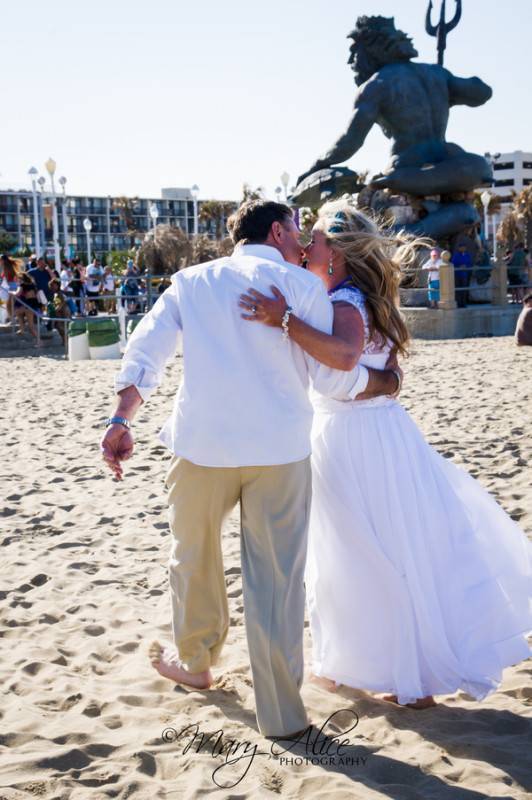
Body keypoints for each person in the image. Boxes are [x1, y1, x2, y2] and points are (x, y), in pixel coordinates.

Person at [100, 200, 400, 740]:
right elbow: (331, 377)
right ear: (278, 230)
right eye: (298, 232)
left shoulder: (191, 281)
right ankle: (282, 714)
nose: (304, 243)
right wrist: (378, 386)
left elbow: (148, 350)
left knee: (191, 556)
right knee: (277, 580)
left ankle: (195, 661)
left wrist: (122, 419)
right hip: (280, 450)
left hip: (202, 448)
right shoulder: (305, 287)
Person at [240, 199, 532, 710]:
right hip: (367, 433)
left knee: (366, 552)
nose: (308, 245)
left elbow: (348, 357)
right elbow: (387, 377)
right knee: (356, 552)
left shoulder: (345, 302)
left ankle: (399, 667)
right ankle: (348, 661)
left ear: (338, 253)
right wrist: (376, 381)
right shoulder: (350, 297)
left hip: (354, 440)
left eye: (318, 239)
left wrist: (284, 319)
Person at [14, 271, 40, 341]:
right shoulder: (32, 284)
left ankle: (40, 342)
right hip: (34, 303)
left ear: (21, 279)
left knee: (31, 327)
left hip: (29, 304)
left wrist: (11, 292)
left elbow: (17, 294)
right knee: (18, 312)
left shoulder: (22, 285)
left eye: (18, 278)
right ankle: (22, 329)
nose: (18, 280)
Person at [0, 254, 20, 322]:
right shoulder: (9, 266)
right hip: (13, 286)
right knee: (11, 305)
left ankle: (12, 320)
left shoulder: (6, 267)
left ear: (3, 260)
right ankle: (12, 319)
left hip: (10, 287)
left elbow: (4, 278)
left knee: (9, 306)